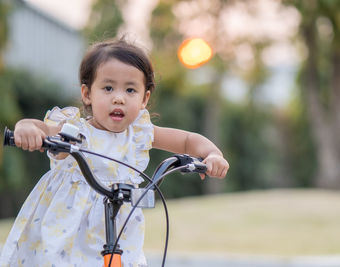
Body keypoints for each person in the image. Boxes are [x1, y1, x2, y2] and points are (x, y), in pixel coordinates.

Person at [0, 38, 229, 266]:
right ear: (87, 94)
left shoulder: (139, 134)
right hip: (69, 235)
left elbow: (188, 140)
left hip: (120, 229)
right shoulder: (76, 132)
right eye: (108, 88)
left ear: (144, 99)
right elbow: (44, 129)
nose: (118, 97)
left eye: (130, 90)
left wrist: (212, 154)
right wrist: (28, 129)